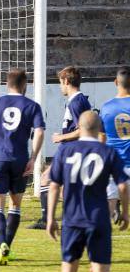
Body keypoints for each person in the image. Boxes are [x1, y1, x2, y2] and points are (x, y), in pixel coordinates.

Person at [47, 111, 129, 272]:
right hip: (98, 219)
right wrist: (126, 213)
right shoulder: (107, 151)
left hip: (72, 220)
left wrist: (52, 218)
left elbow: (54, 185)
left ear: (80, 128)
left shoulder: (65, 151)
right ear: (99, 128)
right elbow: (123, 187)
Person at [0, 68, 45, 266]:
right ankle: (6, 248)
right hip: (20, 161)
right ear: (25, 85)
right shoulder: (32, 106)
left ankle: (1, 244)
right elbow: (39, 132)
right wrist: (33, 158)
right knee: (15, 206)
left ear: (7, 84)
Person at [28, 67, 92, 230]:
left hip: (71, 149)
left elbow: (83, 129)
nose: (59, 87)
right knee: (63, 187)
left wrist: (61, 137)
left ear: (66, 81)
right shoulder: (76, 101)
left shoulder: (77, 102)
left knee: (46, 178)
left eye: (60, 83)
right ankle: (75, 215)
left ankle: (46, 219)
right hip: (70, 149)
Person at [99, 66, 130, 223]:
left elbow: (102, 138)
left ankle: (104, 236)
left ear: (115, 82)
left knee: (109, 201)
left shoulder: (106, 107)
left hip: (114, 162)